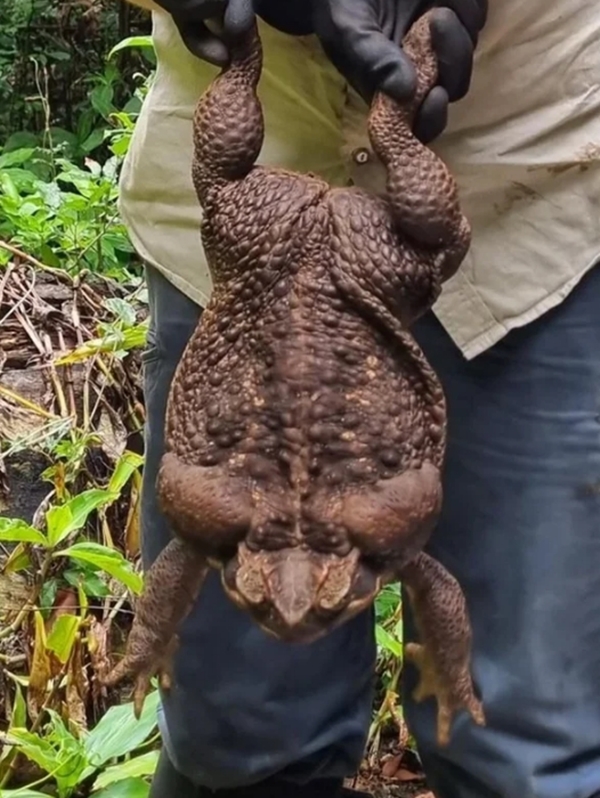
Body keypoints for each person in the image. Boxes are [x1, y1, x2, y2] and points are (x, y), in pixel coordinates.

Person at [118, 0, 600, 796]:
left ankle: (341, 102)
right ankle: (354, 106)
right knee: (234, 741)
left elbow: (185, 551)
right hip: (296, 232)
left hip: (528, 175)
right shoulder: (344, 532)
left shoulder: (234, 526)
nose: (294, 614)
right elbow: (428, 574)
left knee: (524, 748)